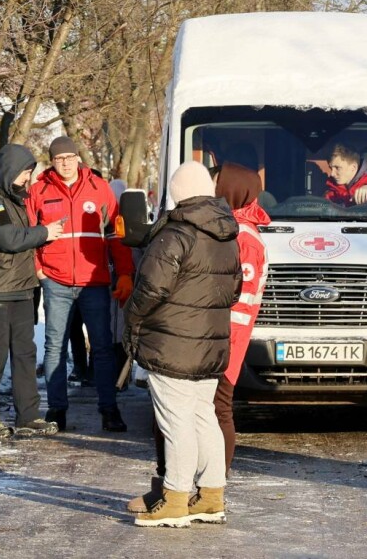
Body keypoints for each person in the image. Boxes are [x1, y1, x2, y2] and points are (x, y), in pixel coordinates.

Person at [127, 161, 270, 515]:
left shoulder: (176, 233)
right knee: (204, 417)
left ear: (177, 194)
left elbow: (150, 288)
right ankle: (211, 495)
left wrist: (133, 319)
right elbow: (234, 290)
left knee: (176, 422)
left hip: (172, 342)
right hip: (212, 343)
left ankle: (174, 498)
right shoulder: (228, 233)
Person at [28, 135, 133, 432]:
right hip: (56, 281)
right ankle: (57, 411)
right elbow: (28, 233)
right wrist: (38, 269)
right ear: (52, 161)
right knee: (54, 347)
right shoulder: (39, 190)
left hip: (94, 282)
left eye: (70, 157)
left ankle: (109, 408)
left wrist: (124, 272)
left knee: (101, 348)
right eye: (59, 159)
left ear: (78, 158)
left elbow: (116, 233)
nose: (65, 163)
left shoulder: (99, 189)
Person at [0, 144, 65, 439]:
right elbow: (7, 238)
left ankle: (29, 416)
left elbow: (16, 238)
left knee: (25, 355)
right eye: (24, 173)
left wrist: (40, 237)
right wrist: (45, 233)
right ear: (9, 171)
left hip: (20, 288)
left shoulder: (11, 200)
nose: (27, 180)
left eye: (30, 174)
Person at [324, 142, 367, 206]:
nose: (332, 174)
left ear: (353, 167)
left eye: (337, 168)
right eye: (331, 168)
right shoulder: (332, 188)